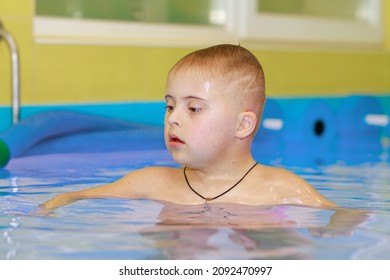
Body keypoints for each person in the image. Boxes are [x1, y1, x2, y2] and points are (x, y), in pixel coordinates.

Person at [40, 44, 337, 212]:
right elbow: (75, 196)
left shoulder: (281, 189)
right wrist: (51, 207)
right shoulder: (152, 182)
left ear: (243, 125)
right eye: (170, 106)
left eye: (193, 108)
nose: (173, 118)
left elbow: (344, 217)